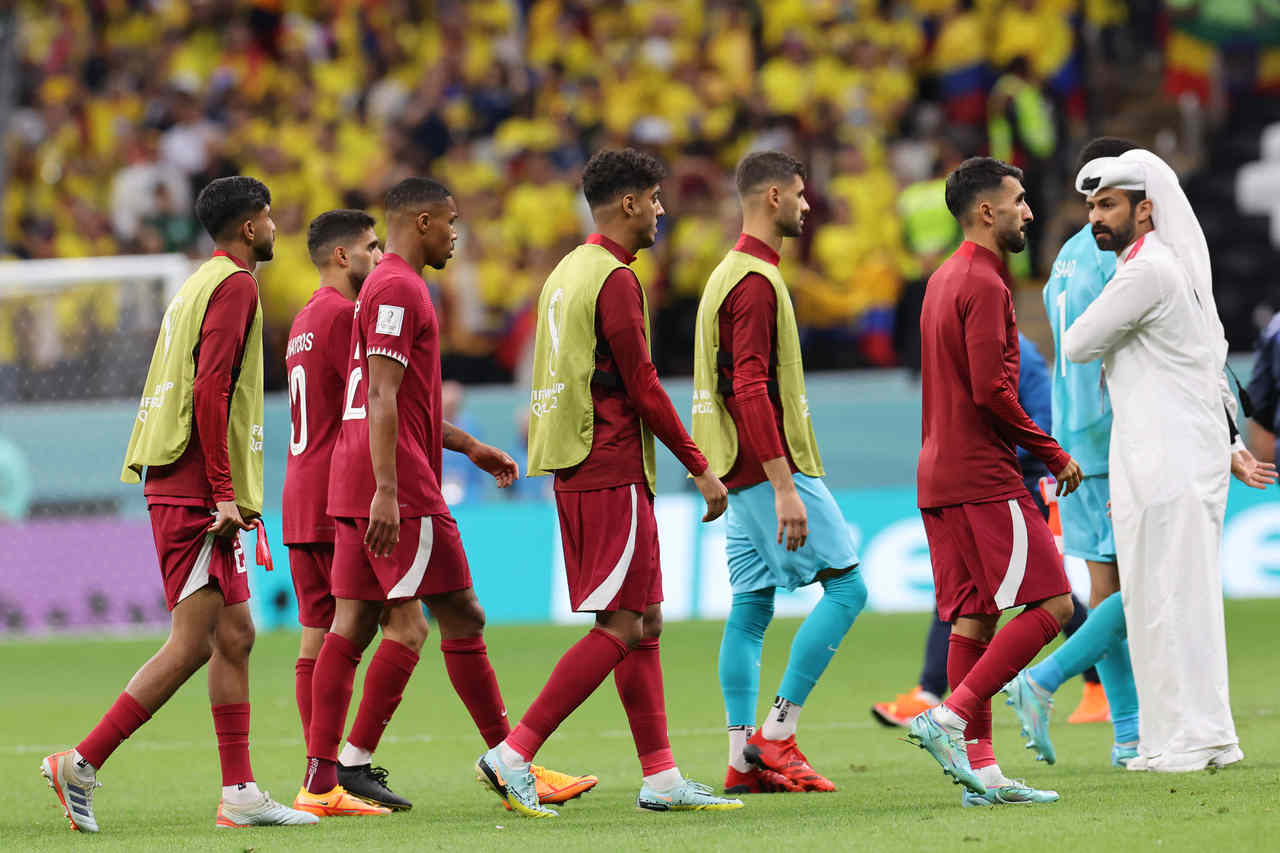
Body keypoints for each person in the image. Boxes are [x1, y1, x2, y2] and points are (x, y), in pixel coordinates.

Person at [294, 180, 593, 816]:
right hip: (396, 488)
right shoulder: (400, 287)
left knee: (352, 624)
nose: (457, 234)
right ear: (422, 221)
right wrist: (388, 491)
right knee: (448, 618)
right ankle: (507, 762)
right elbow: (380, 395)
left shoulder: (376, 288)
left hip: (355, 480)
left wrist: (470, 447)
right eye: (451, 222)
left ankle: (323, 780)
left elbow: (399, 399)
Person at [41, 176, 317, 832]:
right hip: (193, 485)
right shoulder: (234, 284)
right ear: (249, 227)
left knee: (237, 632)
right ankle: (81, 760)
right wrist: (224, 491)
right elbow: (212, 387)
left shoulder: (197, 281)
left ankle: (241, 791)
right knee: (195, 641)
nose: (276, 226)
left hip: (185, 475)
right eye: (270, 217)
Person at [475, 148, 742, 818]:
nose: (661, 212)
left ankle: (662, 775)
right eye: (654, 199)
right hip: (610, 461)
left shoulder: (567, 272)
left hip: (576, 460)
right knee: (621, 625)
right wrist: (700, 464)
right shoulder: (615, 279)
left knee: (642, 620)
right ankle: (513, 754)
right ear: (628, 203)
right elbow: (643, 383)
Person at [1064, 149, 1276, 772]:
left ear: (1146, 208)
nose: (1096, 218)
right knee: (1153, 600)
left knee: (1179, 598)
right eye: (1092, 207)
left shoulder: (1148, 271)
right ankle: (1166, 738)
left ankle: (1205, 738)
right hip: (1148, 457)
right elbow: (1205, 368)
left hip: (1172, 459)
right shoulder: (1151, 267)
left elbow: (1077, 344)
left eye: (1108, 205)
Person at [907, 157, 1083, 807]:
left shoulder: (943, 278)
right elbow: (990, 388)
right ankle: (950, 715)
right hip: (982, 473)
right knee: (1055, 604)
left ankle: (981, 773)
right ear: (987, 211)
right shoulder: (984, 282)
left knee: (975, 618)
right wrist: (1050, 450)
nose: (1028, 212)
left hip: (938, 472)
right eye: (1019, 201)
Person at [691, 151, 866, 796]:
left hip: (735, 471)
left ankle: (741, 759)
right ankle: (778, 735)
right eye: (799, 193)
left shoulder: (724, 274)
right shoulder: (756, 281)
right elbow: (750, 387)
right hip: (767, 469)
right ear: (771, 196)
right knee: (848, 590)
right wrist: (786, 485)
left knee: (750, 611)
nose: (806, 205)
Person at [872, 331, 1105, 730]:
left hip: (1014, 481)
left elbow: (1033, 421)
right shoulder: (997, 348)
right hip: (991, 479)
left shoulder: (1014, 354)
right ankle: (933, 694)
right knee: (981, 593)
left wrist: (983, 455)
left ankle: (1095, 685)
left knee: (1048, 593)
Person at [1002, 137, 1145, 770]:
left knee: (1109, 586)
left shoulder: (1067, 254)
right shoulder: (1125, 256)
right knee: (1142, 589)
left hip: (1073, 441)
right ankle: (1044, 678)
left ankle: (1131, 737)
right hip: (1115, 437)